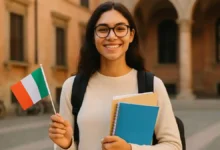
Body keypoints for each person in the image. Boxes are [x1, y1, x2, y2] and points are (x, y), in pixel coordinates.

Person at [48, 1, 182, 150]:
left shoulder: (152, 85)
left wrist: (130, 148)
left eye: (120, 28)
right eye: (103, 29)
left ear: (131, 35)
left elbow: (173, 146)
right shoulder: (72, 87)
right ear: (93, 36)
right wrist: (66, 145)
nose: (111, 36)